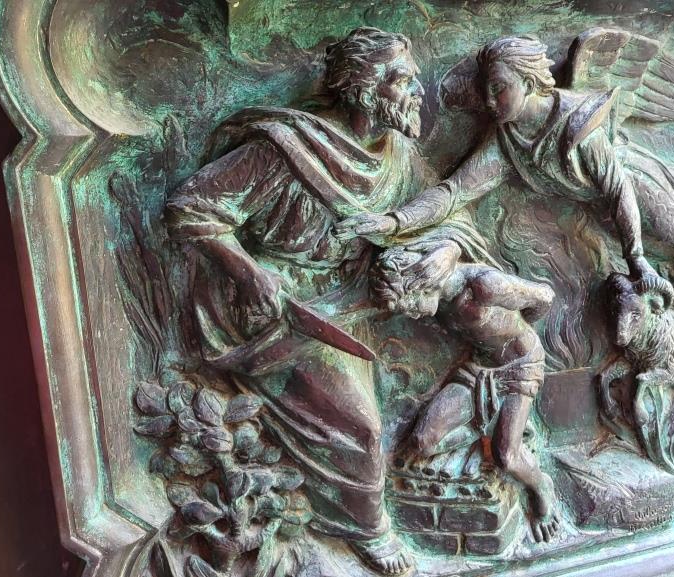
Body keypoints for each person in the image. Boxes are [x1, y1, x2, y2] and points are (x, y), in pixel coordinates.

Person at [164, 27, 489, 576]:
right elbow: (189, 207)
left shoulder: (395, 152)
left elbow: (448, 212)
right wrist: (249, 273)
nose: (418, 93)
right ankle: (367, 530)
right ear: (366, 89)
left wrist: (447, 249)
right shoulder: (285, 148)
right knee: (362, 428)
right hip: (276, 309)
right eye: (404, 82)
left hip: (349, 299)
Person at [336, 36, 674, 289]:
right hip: (597, 211)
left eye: (500, 88)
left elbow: (619, 189)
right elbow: (454, 192)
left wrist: (638, 259)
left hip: (635, 185)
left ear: (530, 82)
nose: (490, 100)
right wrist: (393, 221)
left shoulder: (579, 125)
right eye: (487, 89)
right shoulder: (505, 140)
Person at [370, 246, 562, 544]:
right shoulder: (441, 298)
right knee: (423, 441)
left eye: (411, 304)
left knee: (507, 456)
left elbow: (544, 298)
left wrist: (517, 337)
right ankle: (489, 422)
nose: (412, 313)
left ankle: (541, 486)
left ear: (424, 283)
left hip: (519, 368)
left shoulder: (485, 287)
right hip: (478, 369)